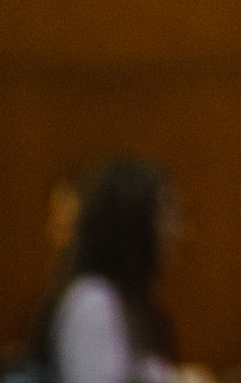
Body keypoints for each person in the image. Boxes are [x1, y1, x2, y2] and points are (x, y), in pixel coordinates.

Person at [28, 158, 185, 383]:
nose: (177, 229)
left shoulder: (126, 302)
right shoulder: (93, 302)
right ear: (133, 223)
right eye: (166, 215)